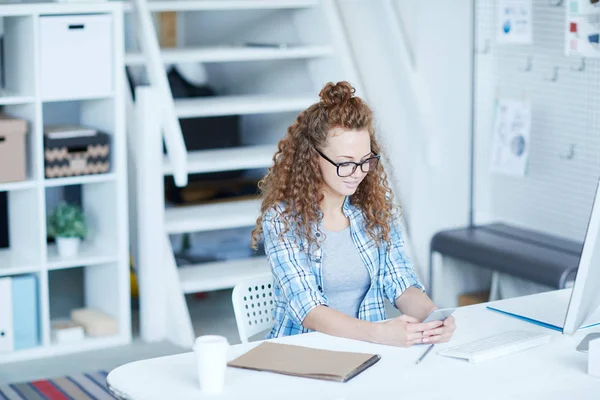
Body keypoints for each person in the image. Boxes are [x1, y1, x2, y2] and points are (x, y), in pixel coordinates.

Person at [250, 81, 455, 347]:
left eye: (365, 160)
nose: (358, 172)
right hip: (302, 353)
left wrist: (432, 317)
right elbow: (309, 310)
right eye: (346, 163)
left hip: (367, 351)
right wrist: (380, 334)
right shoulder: (283, 220)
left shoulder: (375, 211)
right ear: (313, 158)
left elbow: (401, 281)